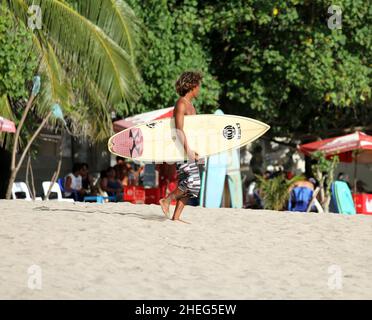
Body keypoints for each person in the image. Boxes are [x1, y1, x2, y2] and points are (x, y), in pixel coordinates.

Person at [159, 71, 203, 223]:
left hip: (189, 150)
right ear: (192, 86)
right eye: (198, 86)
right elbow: (178, 130)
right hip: (181, 150)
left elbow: (193, 132)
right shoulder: (181, 104)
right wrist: (188, 151)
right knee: (191, 182)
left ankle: (176, 217)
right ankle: (166, 200)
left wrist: (197, 150)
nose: (200, 89)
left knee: (192, 185)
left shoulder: (192, 107)